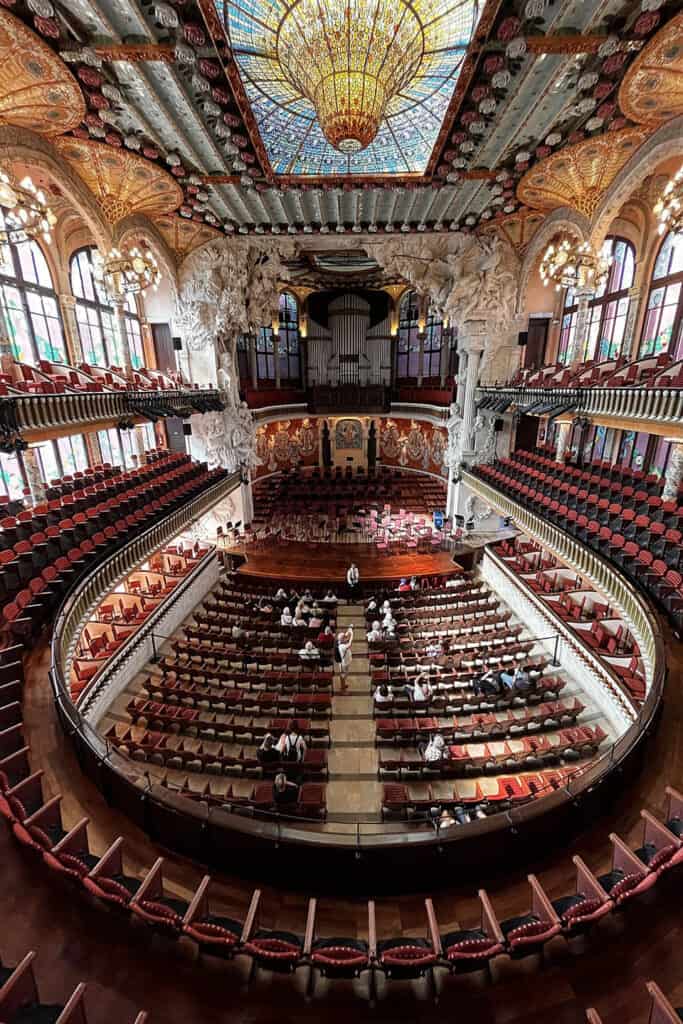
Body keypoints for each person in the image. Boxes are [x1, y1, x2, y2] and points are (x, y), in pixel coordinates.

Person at [336, 625, 354, 692]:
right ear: (342, 639)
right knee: (344, 675)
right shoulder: (342, 646)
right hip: (344, 663)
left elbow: (345, 636)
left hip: (344, 662)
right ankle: (342, 688)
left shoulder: (340, 641)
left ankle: (343, 685)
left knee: (344, 674)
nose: (346, 637)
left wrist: (349, 629)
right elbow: (350, 643)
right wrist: (352, 634)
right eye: (344, 637)